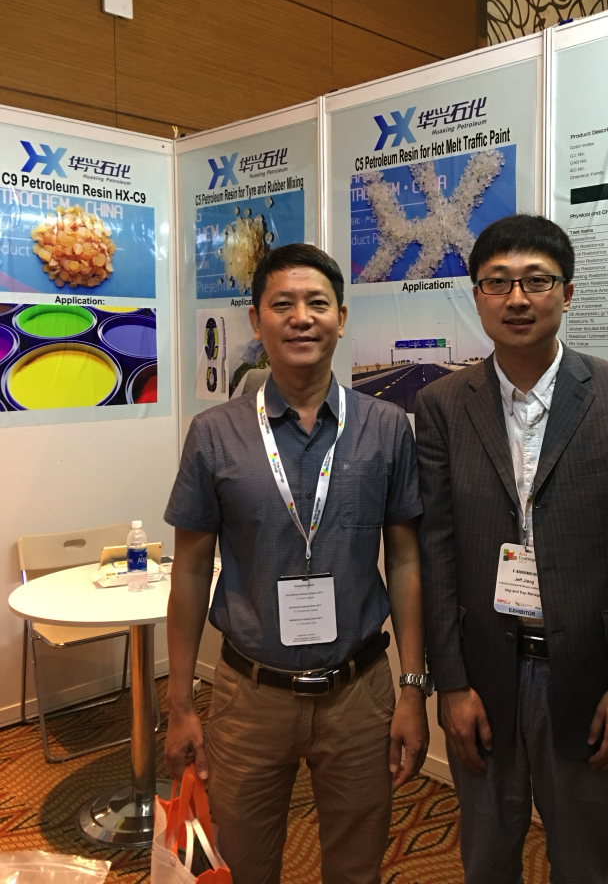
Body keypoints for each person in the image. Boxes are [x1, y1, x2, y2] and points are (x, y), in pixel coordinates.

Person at [415, 215, 608, 883]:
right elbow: (436, 550)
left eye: (536, 280)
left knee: (583, 859)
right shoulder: (443, 404)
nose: (517, 298)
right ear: (476, 295)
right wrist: (450, 682)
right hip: (483, 673)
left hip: (589, 674)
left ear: (568, 292)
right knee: (486, 855)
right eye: (497, 282)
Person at [163, 243, 430, 884]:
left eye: (317, 303)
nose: (301, 317)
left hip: (359, 694)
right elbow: (191, 570)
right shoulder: (215, 433)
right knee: (242, 867)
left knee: (357, 868)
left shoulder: (387, 427)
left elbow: (404, 561)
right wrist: (179, 702)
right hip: (249, 697)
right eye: (282, 304)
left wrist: (412, 688)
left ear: (341, 317)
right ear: (256, 320)